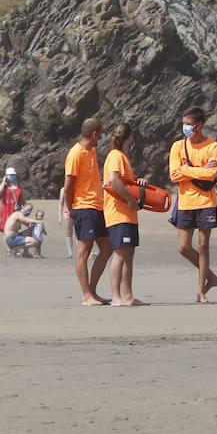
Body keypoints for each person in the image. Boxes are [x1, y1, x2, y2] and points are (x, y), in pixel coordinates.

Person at [169, 106, 217, 303]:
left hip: (206, 201)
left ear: (199, 125)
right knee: (183, 247)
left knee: (203, 245)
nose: (185, 127)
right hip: (185, 201)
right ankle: (211, 276)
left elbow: (211, 174)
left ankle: (201, 291)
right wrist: (197, 169)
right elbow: (174, 174)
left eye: (189, 124)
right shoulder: (178, 147)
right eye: (184, 123)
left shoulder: (212, 146)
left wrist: (187, 170)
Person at [64, 117, 111, 306]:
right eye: (102, 132)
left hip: (97, 206)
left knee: (107, 248)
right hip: (83, 207)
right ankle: (86, 295)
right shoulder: (76, 153)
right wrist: (71, 209)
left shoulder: (92, 151)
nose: (103, 136)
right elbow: (68, 186)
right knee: (84, 251)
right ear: (95, 134)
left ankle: (91, 290)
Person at [102, 123, 147, 306]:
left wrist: (138, 183)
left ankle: (128, 296)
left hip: (127, 214)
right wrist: (129, 200)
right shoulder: (116, 156)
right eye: (131, 138)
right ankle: (116, 297)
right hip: (118, 213)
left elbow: (126, 182)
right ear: (128, 139)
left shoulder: (123, 158)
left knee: (129, 253)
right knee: (120, 253)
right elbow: (113, 179)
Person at [0, 167, 23, 233]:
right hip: (6, 211)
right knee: (6, 231)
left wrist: (26, 208)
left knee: (15, 230)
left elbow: (23, 199)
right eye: (10, 174)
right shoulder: (4, 185)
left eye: (13, 174)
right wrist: (3, 181)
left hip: (16, 211)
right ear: (6, 175)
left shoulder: (19, 185)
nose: (11, 176)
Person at [58, 185, 75, 258]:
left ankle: (81, 252)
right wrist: (59, 217)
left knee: (78, 233)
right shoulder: (63, 189)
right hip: (66, 211)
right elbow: (61, 204)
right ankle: (70, 253)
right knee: (68, 232)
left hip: (76, 209)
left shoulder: (77, 187)